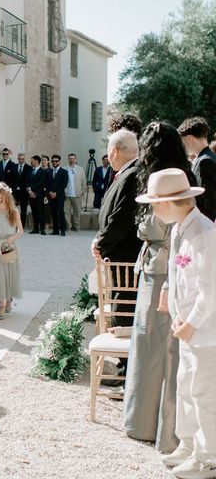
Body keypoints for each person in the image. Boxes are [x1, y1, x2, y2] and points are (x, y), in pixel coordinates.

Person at [136, 169, 216, 478]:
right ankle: (187, 443)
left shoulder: (204, 234)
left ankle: (208, 456)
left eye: (156, 203)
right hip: (186, 327)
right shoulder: (178, 229)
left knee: (204, 394)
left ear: (171, 203)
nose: (153, 209)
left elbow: (210, 288)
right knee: (185, 387)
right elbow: (176, 271)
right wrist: (170, 298)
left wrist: (192, 322)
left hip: (206, 332)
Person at [123, 122, 196, 454]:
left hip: (163, 273)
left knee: (157, 344)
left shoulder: (167, 184)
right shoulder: (182, 177)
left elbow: (159, 228)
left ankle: (153, 424)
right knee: (156, 344)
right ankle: (151, 422)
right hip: (159, 271)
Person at [91, 129, 143, 377]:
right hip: (118, 254)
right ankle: (124, 363)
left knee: (124, 305)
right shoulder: (126, 173)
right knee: (118, 302)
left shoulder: (133, 175)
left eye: (109, 151)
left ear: (115, 150)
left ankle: (127, 368)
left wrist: (100, 243)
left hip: (126, 255)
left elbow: (121, 218)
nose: (108, 156)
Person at [0, 182, 23, 318]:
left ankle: (9, 300)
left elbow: (20, 231)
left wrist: (11, 239)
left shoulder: (13, 212)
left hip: (10, 246)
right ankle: (1, 306)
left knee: (9, 274)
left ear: (5, 196)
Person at [177, 117, 216, 221]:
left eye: (182, 141)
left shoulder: (204, 162)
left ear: (190, 138)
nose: (183, 146)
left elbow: (208, 200)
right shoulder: (210, 156)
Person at [63, 153, 86, 231]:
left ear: (75, 160)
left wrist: (82, 192)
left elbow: (84, 181)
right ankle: (68, 227)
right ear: (68, 159)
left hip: (77, 194)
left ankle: (76, 227)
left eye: (73, 158)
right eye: (70, 158)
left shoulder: (80, 169)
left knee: (77, 212)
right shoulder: (64, 169)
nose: (71, 160)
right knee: (66, 212)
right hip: (66, 194)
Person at [47, 154, 69, 236]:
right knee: (53, 212)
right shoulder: (49, 172)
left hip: (59, 195)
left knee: (60, 212)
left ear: (59, 161)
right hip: (51, 195)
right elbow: (47, 184)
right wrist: (50, 192)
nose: (54, 162)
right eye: (53, 161)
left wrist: (56, 193)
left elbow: (64, 184)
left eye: (56, 161)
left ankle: (62, 230)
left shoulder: (64, 172)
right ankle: (55, 230)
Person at [27, 155, 47, 235]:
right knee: (34, 212)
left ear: (36, 161)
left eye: (32, 160)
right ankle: (35, 228)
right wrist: (30, 192)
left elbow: (41, 183)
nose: (31, 162)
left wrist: (32, 190)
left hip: (39, 195)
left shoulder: (43, 171)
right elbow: (27, 182)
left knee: (40, 212)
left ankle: (42, 229)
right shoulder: (29, 171)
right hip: (31, 195)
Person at [14, 153, 31, 228]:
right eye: (20, 159)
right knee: (13, 209)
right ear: (18, 159)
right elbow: (12, 179)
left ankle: (22, 226)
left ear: (24, 159)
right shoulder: (14, 167)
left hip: (24, 192)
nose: (21, 160)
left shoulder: (29, 168)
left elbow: (29, 180)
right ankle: (14, 225)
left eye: (23, 159)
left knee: (23, 210)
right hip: (15, 192)